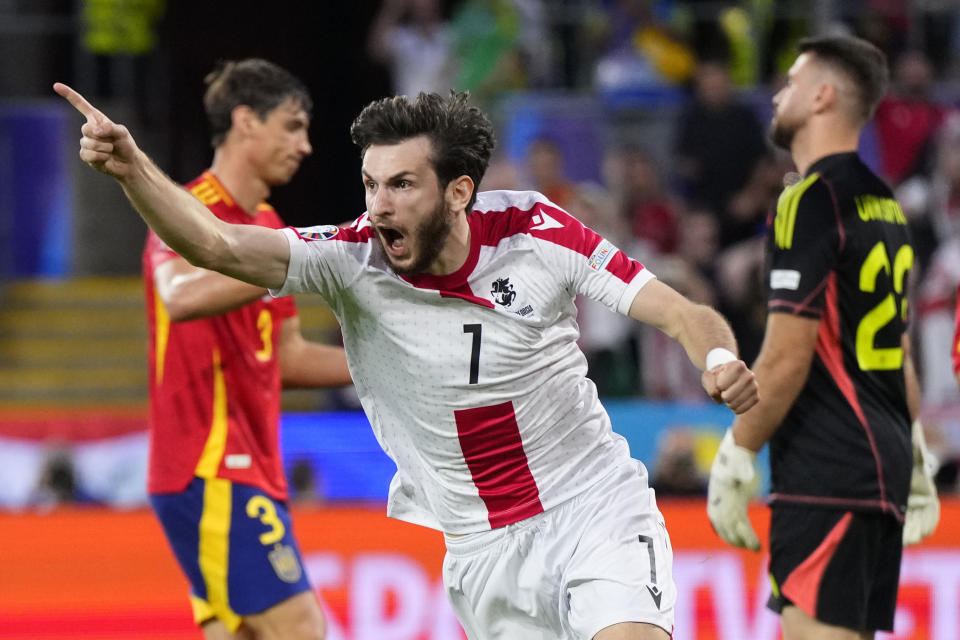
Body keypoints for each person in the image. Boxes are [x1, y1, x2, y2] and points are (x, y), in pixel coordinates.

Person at [55, 81, 759, 640]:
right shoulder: (351, 260)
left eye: (401, 185)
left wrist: (719, 355)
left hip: (593, 508)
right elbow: (220, 247)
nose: (378, 206)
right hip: (482, 551)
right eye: (370, 184)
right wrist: (133, 170)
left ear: (458, 191)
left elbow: (679, 310)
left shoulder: (537, 232)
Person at [706, 36, 940, 640]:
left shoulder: (808, 200)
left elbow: (785, 358)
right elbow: (900, 354)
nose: (778, 94)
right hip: (879, 470)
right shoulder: (887, 205)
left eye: (790, 81)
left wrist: (736, 453)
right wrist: (912, 451)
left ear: (823, 95)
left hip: (826, 471)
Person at [140, 59, 352, 640]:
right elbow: (179, 295)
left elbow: (288, 358)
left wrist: (403, 364)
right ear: (245, 122)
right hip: (208, 467)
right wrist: (295, 260)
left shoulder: (269, 226)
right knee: (301, 628)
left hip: (254, 470)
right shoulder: (184, 209)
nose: (305, 146)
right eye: (292, 126)